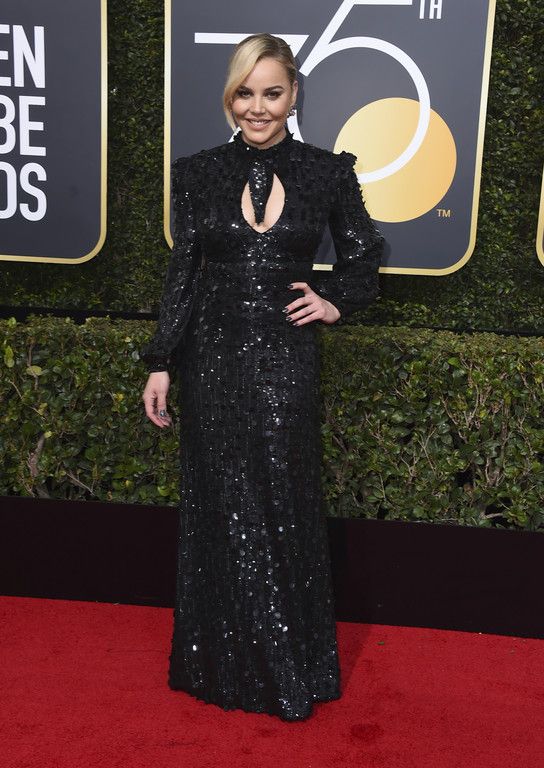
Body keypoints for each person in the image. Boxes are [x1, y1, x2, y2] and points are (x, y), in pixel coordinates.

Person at [141, 32, 385, 721]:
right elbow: (184, 273)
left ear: (293, 94)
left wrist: (335, 300)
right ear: (231, 96)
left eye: (271, 92)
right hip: (212, 360)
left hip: (285, 359)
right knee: (223, 507)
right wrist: (161, 360)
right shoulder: (197, 173)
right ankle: (219, 666)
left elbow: (364, 253)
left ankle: (288, 666)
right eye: (244, 93)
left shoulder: (326, 173)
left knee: (281, 501)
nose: (257, 107)